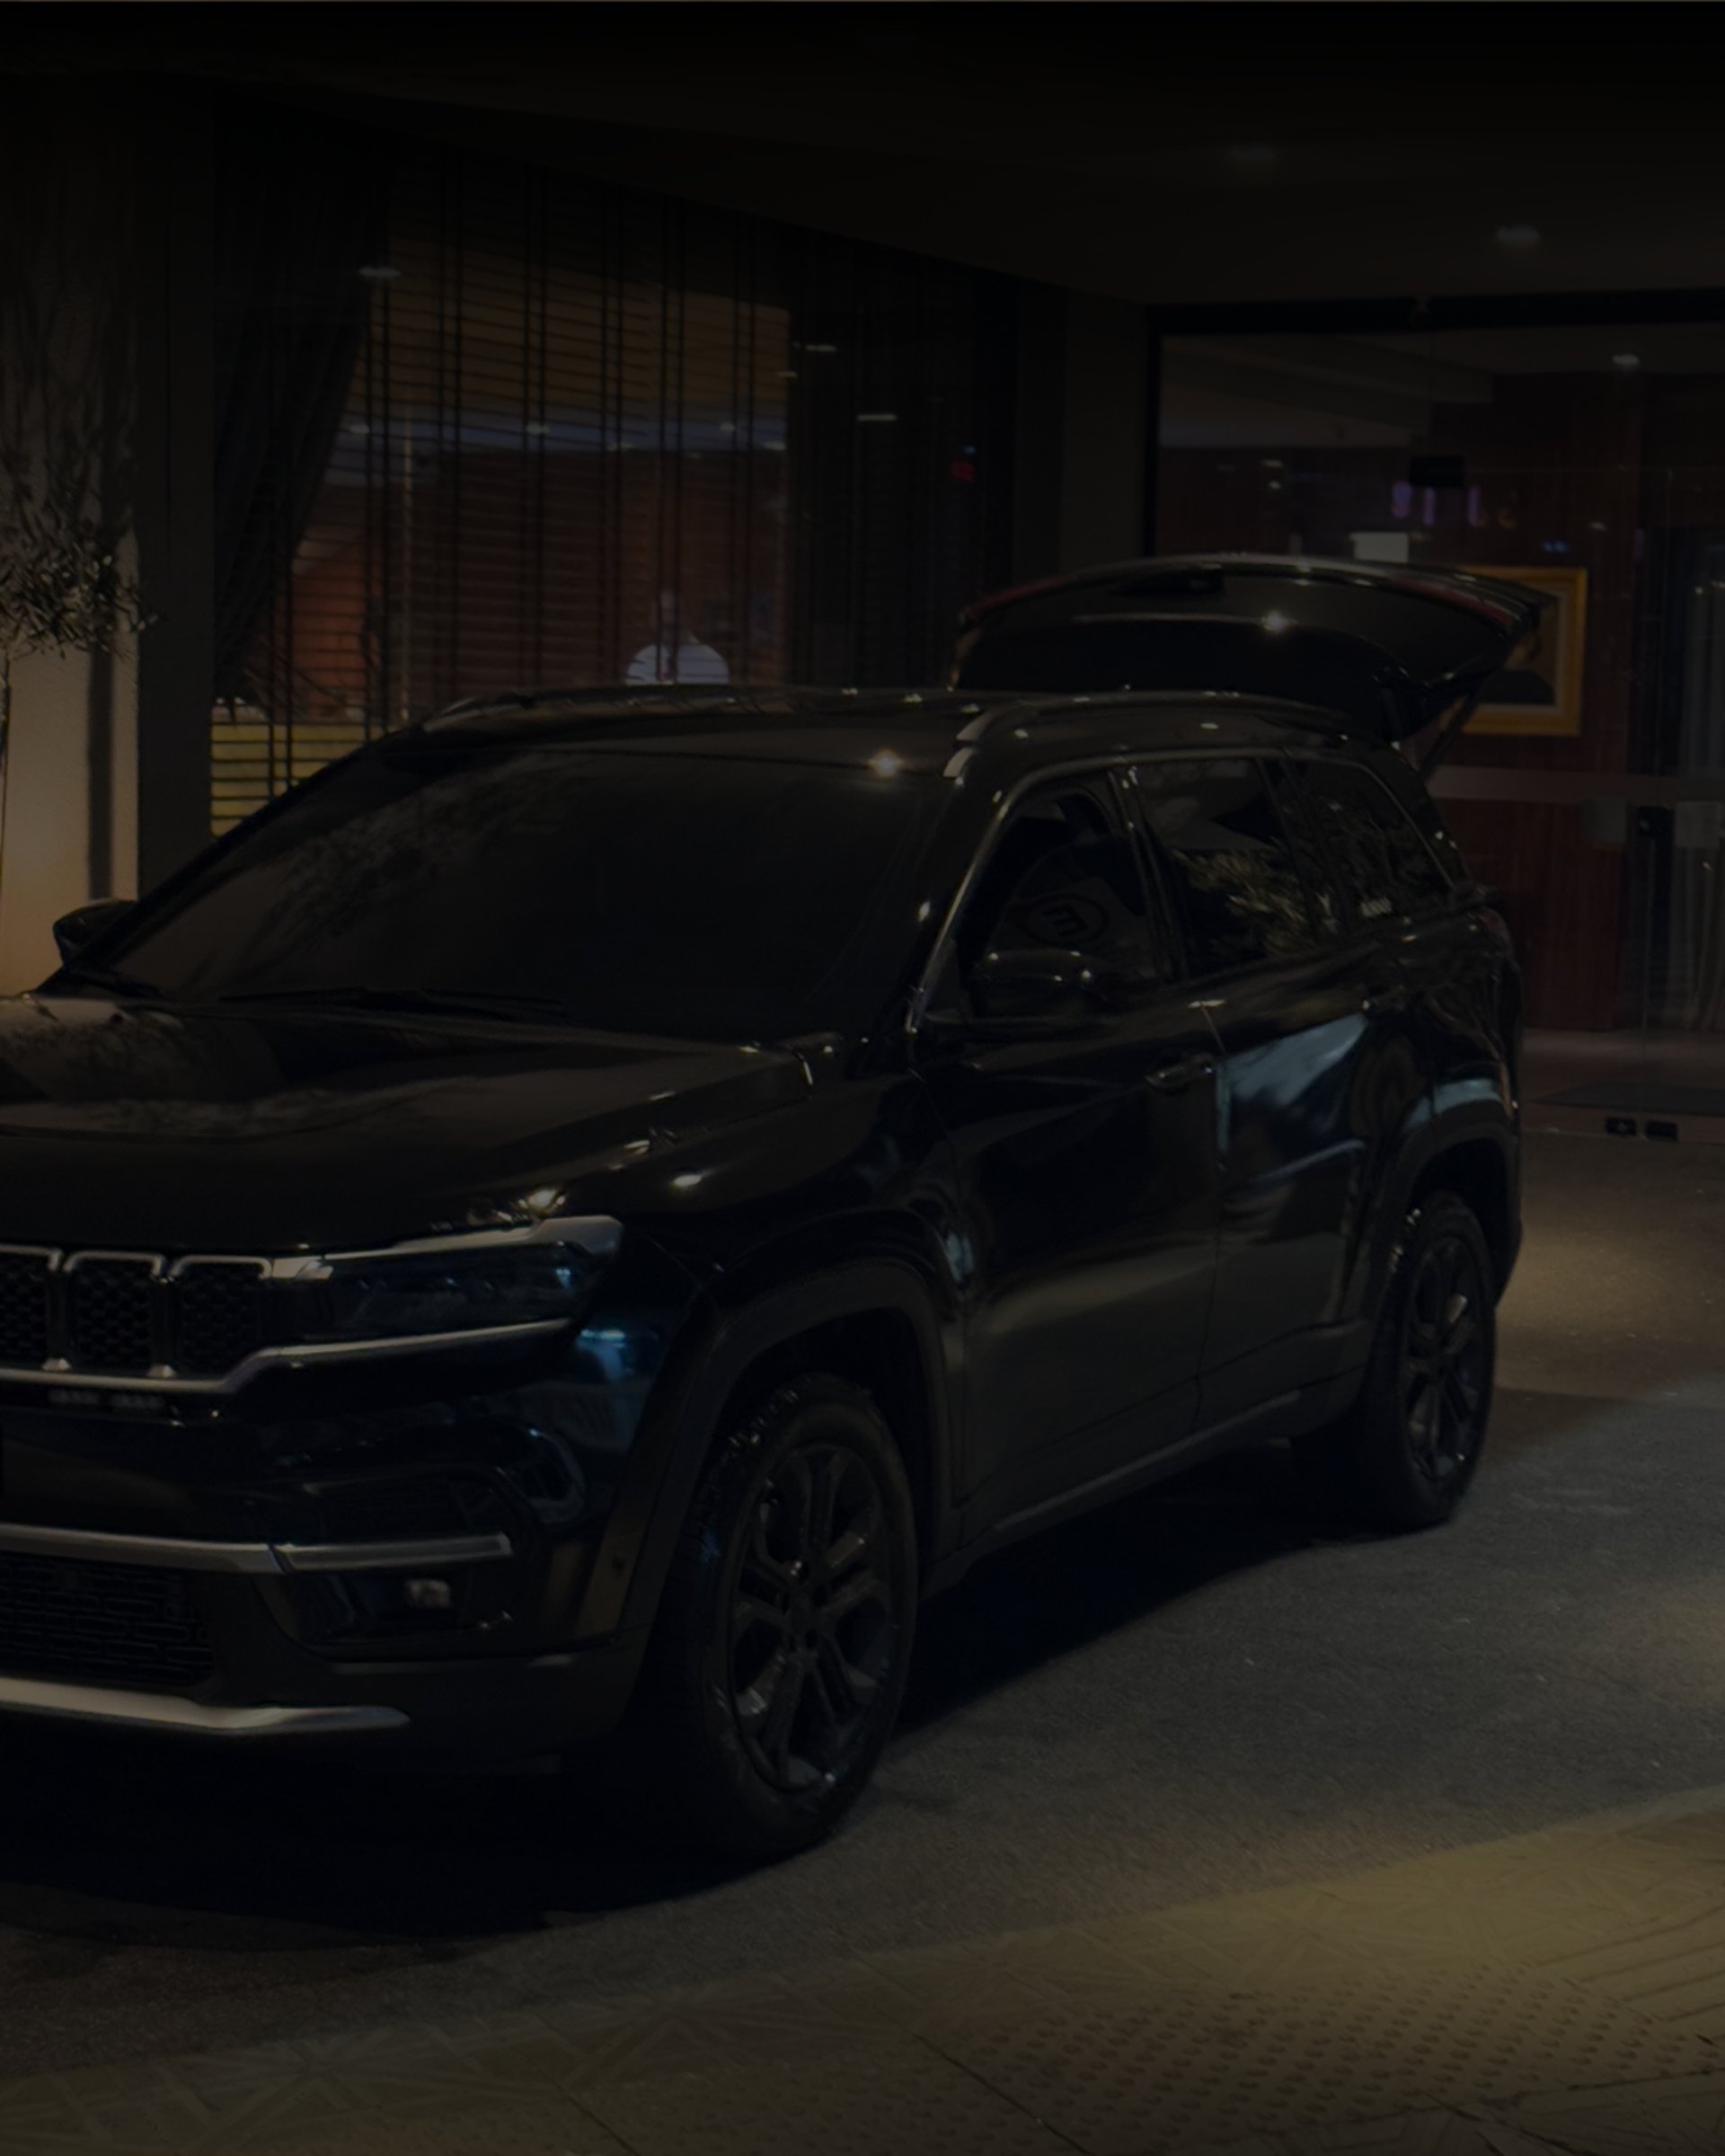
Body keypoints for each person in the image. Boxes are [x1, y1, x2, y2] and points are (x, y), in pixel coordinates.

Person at [626, 589, 730, 685]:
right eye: (660, 613)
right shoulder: (642, 661)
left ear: (689, 617)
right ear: (651, 620)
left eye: (673, 612)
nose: (667, 619)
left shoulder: (713, 663)